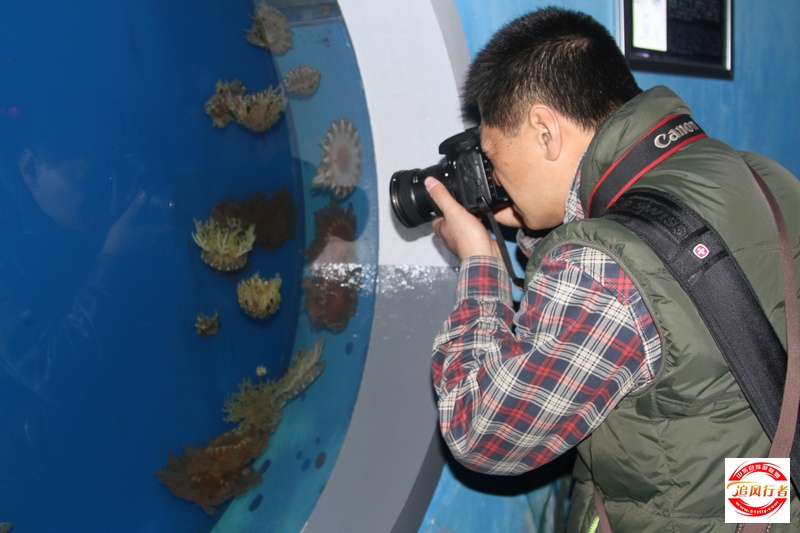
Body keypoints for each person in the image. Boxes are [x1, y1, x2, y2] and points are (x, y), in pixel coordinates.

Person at [425, 7, 800, 531]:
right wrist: (544, 227)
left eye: (494, 155)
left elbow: (483, 433)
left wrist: (481, 265)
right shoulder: (761, 174)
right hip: (766, 502)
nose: (497, 177)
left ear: (544, 130)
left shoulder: (600, 269)